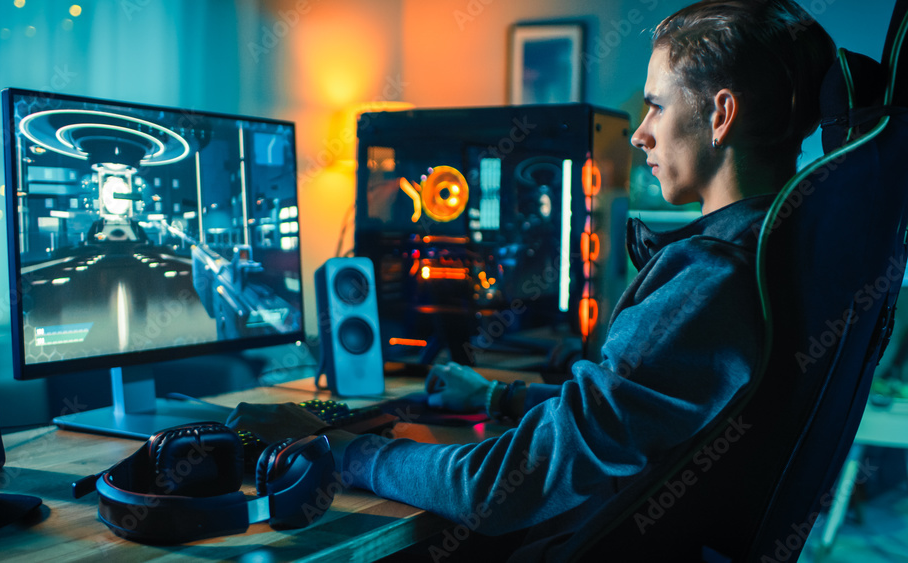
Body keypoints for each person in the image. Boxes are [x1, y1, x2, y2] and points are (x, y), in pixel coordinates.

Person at [227, 0, 836, 559]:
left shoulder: (710, 278)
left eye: (655, 105)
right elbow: (624, 412)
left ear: (721, 114)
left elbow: (493, 491)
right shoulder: (781, 251)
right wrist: (498, 397)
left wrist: (340, 447)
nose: (640, 132)